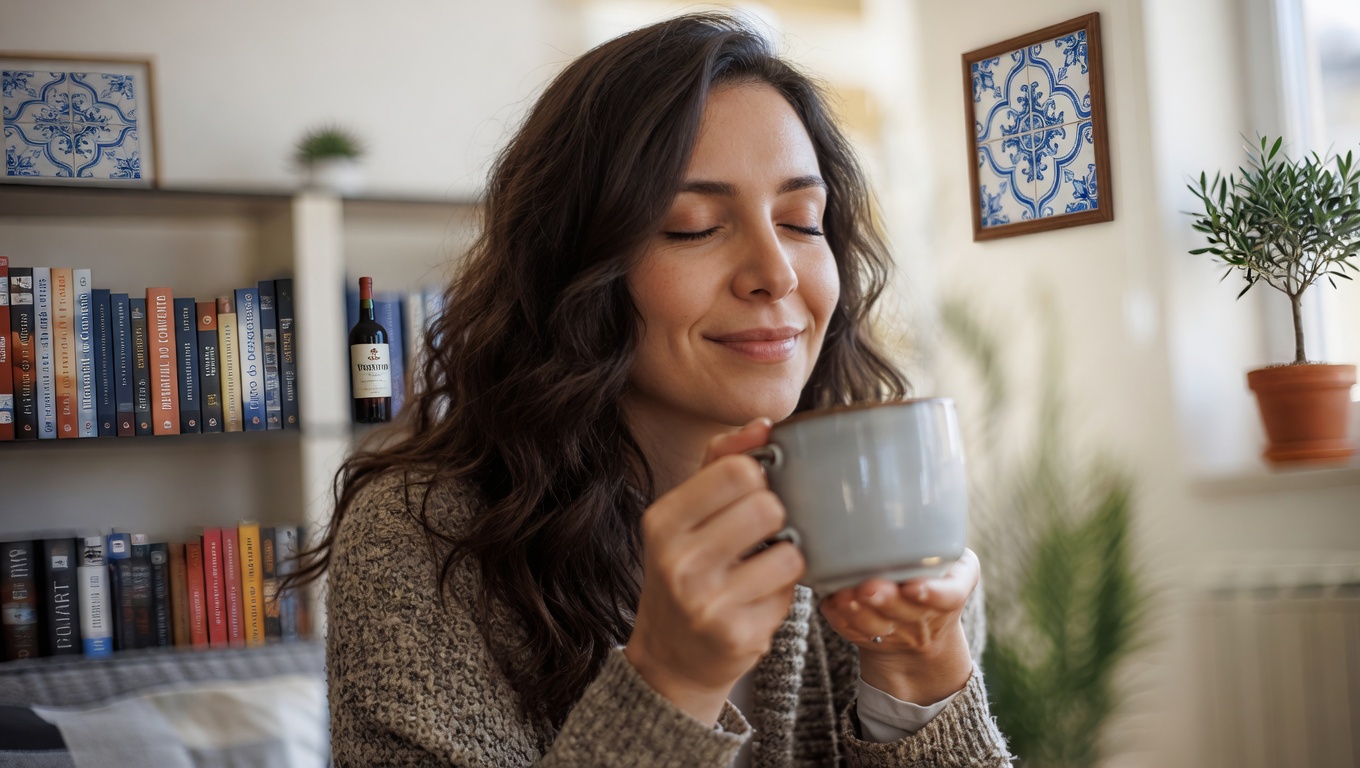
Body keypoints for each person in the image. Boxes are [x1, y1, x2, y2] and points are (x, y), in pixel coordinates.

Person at [291, 12, 1012, 767]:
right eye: (694, 226)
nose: (777, 272)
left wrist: (920, 683)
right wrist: (671, 682)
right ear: (576, 272)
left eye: (802, 221)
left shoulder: (882, 514)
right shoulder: (422, 543)